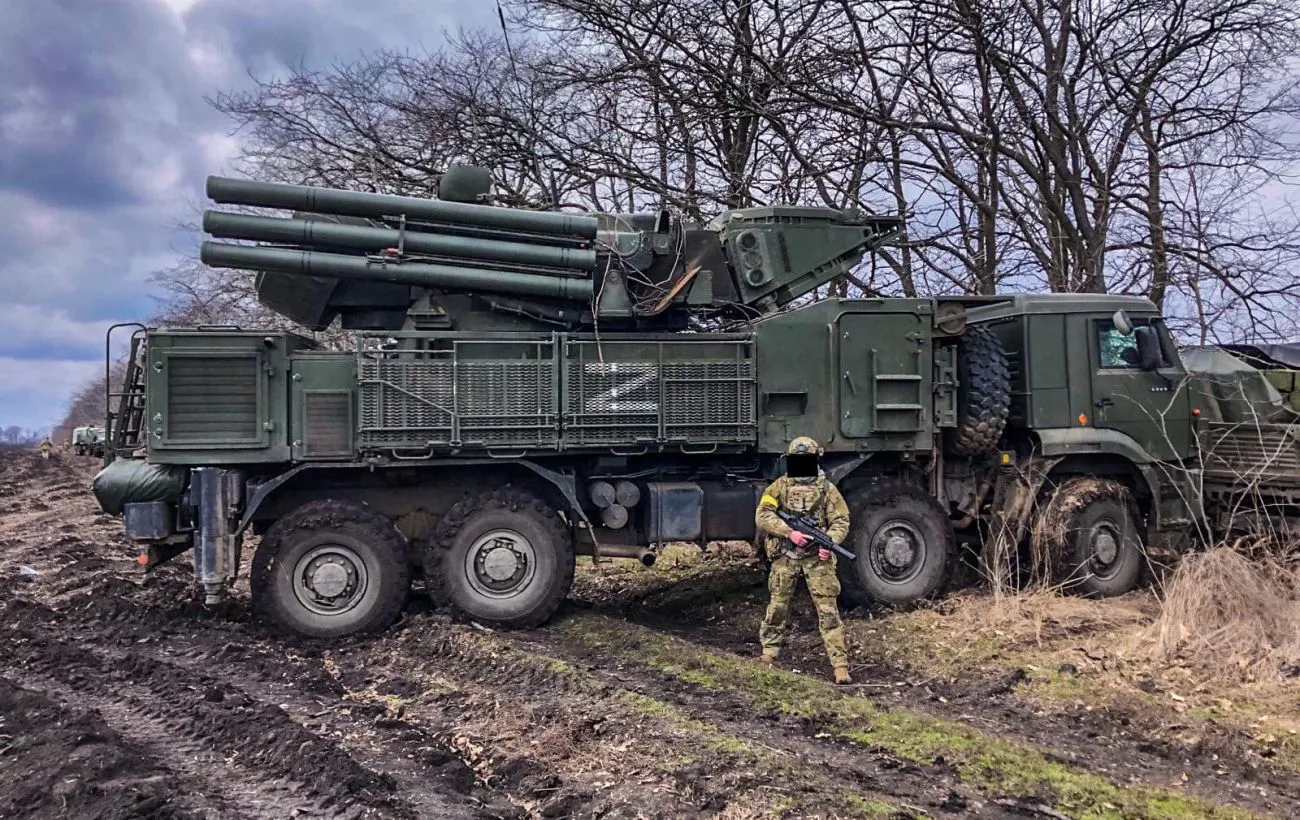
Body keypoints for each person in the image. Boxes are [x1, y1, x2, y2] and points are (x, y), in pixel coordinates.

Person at [755, 436, 853, 684]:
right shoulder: (779, 486)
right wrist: (789, 533)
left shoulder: (827, 490)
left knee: (828, 612)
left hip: (816, 559)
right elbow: (763, 514)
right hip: (786, 556)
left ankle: (839, 664)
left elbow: (841, 520)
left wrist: (829, 543)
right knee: (777, 607)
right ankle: (769, 653)